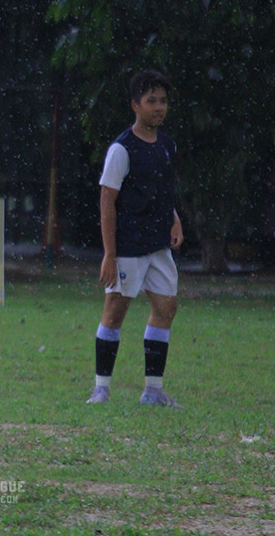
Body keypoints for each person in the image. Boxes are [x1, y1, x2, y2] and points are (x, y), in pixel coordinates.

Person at [87, 69, 184, 408]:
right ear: (135, 105)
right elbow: (107, 199)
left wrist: (174, 219)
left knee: (166, 307)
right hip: (128, 245)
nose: (159, 107)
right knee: (115, 310)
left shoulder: (167, 145)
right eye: (151, 101)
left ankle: (153, 391)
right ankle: (101, 388)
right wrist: (109, 254)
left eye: (163, 101)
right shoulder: (121, 148)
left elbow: (163, 191)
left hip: (158, 245)